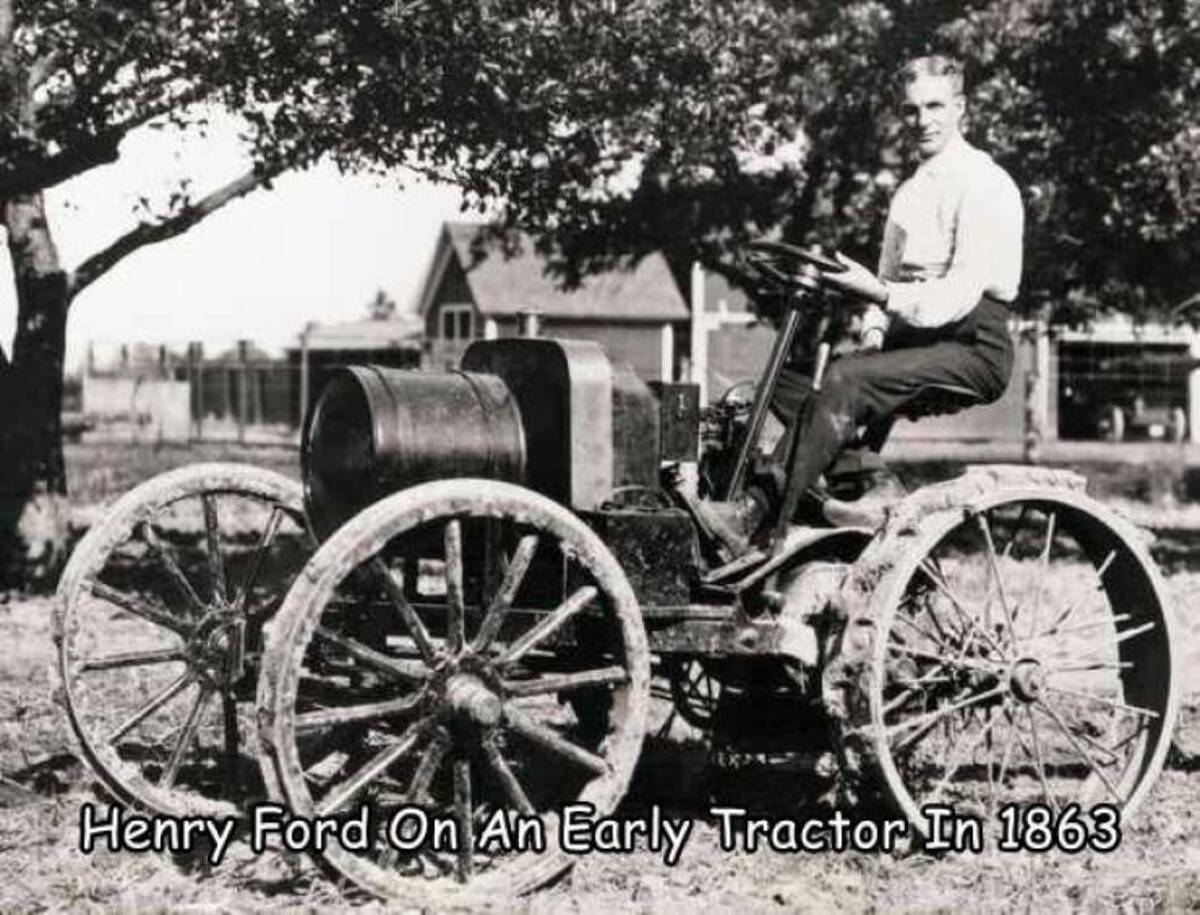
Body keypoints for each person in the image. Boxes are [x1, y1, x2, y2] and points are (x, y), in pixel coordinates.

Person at [700, 54, 1024, 554]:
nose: (923, 121)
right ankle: (867, 483)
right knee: (780, 386)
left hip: (971, 345)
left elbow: (956, 296)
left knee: (847, 380)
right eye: (911, 110)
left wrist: (877, 295)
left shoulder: (985, 183)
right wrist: (875, 328)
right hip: (913, 337)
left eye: (935, 106)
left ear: (961, 108)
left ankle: (756, 515)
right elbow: (888, 277)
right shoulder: (910, 193)